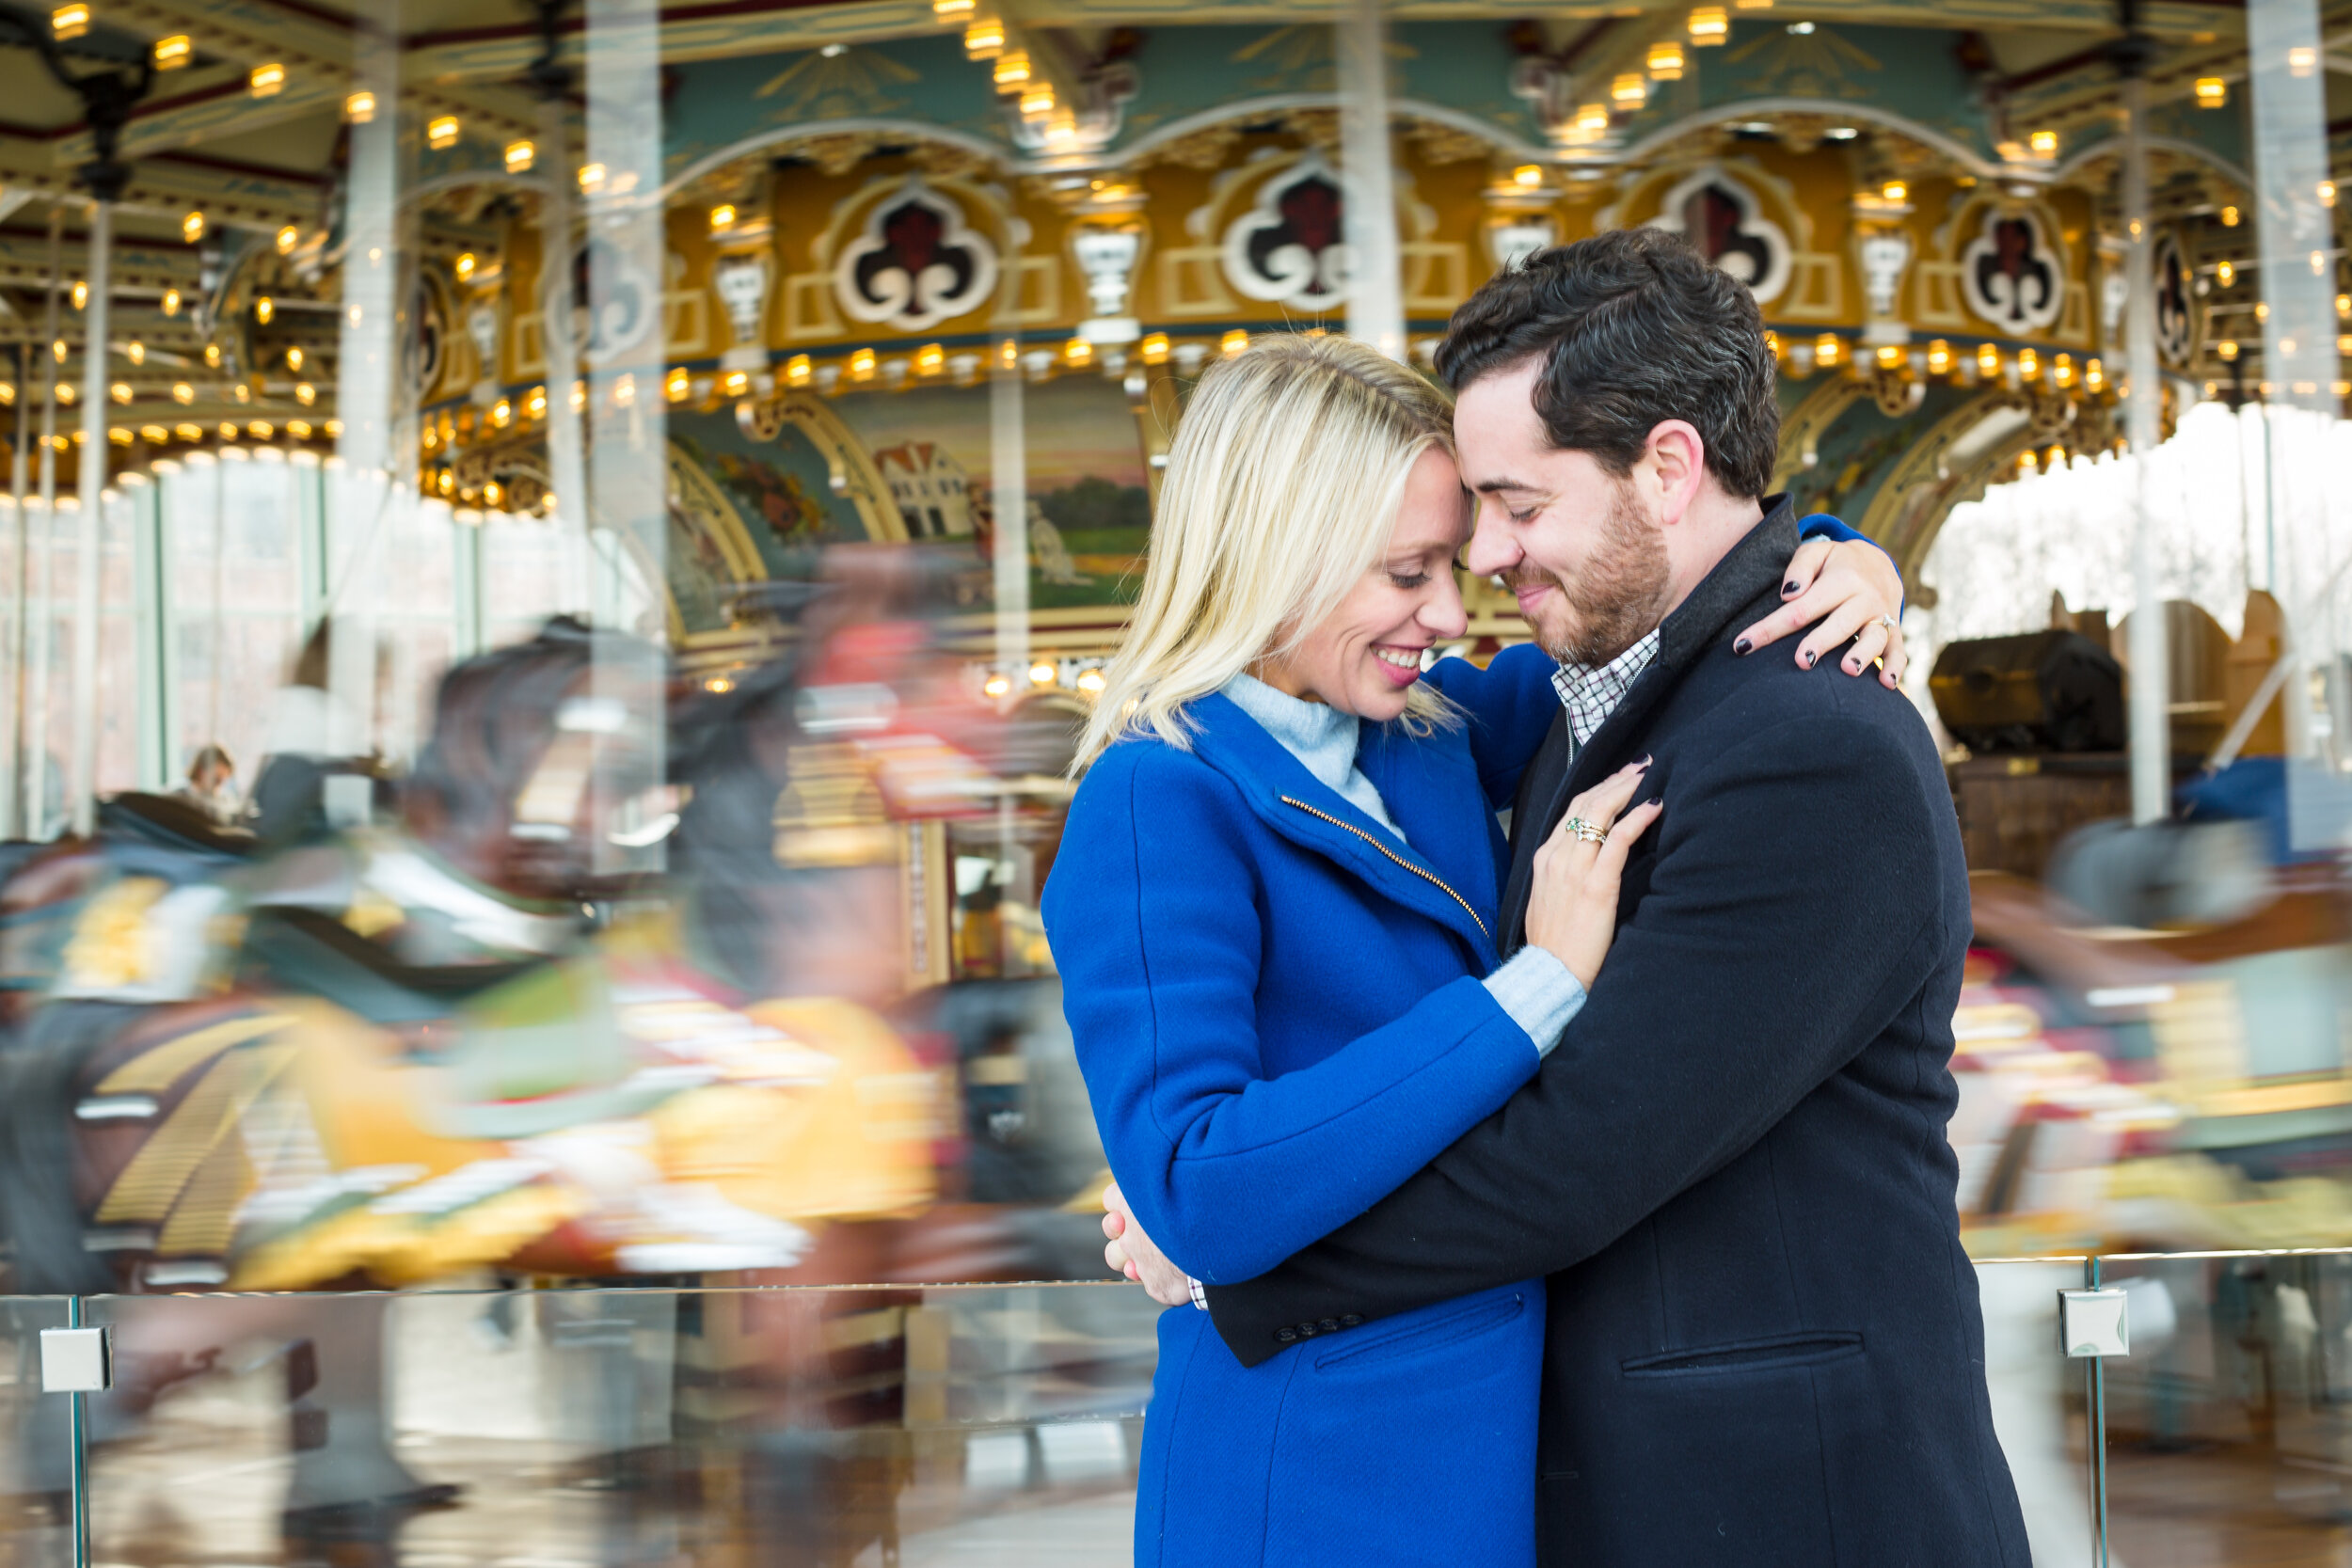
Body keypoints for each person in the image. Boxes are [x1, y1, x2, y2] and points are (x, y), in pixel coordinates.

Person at [1103, 229, 2030, 1566]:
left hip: (1782, 1502)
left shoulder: (1806, 742)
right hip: (1584, 1469)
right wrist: (1835, 546)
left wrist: (1237, 1262)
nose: (1483, 557)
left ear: (1666, 468)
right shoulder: (1574, 695)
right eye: (1446, 531)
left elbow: (1578, 1154)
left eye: (1518, 507)